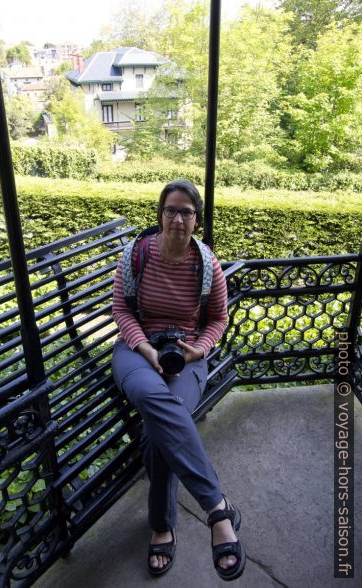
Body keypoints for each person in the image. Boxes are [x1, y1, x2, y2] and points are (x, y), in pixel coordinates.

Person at [111, 179, 245, 581]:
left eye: (187, 212)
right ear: (160, 214)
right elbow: (121, 309)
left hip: (186, 357)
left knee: (157, 433)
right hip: (136, 352)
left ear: (197, 220)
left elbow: (218, 319)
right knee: (158, 404)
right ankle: (217, 508)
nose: (178, 218)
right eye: (171, 210)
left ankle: (161, 525)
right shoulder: (136, 255)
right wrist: (146, 349)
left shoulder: (207, 265)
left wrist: (198, 350)